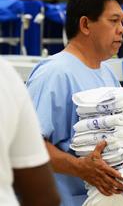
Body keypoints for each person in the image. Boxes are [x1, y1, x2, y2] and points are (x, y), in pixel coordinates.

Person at [27, 0, 123, 206]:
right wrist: (80, 168)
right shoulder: (54, 73)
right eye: (113, 20)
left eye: (122, 21)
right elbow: (29, 143)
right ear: (85, 24)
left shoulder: (107, 73)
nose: (122, 29)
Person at [0, 57, 60, 206]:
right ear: (85, 31)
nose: (122, 31)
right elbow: (42, 195)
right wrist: (79, 166)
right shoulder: (5, 76)